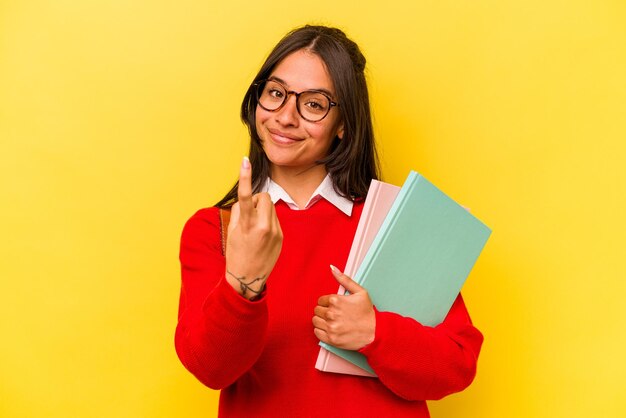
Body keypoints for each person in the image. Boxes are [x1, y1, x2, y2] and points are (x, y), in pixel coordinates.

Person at [175, 25, 483, 417]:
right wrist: (243, 282)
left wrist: (376, 332)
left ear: (343, 125)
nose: (285, 117)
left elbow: (457, 366)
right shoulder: (216, 230)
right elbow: (210, 368)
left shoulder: (394, 222)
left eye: (314, 104)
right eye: (275, 93)